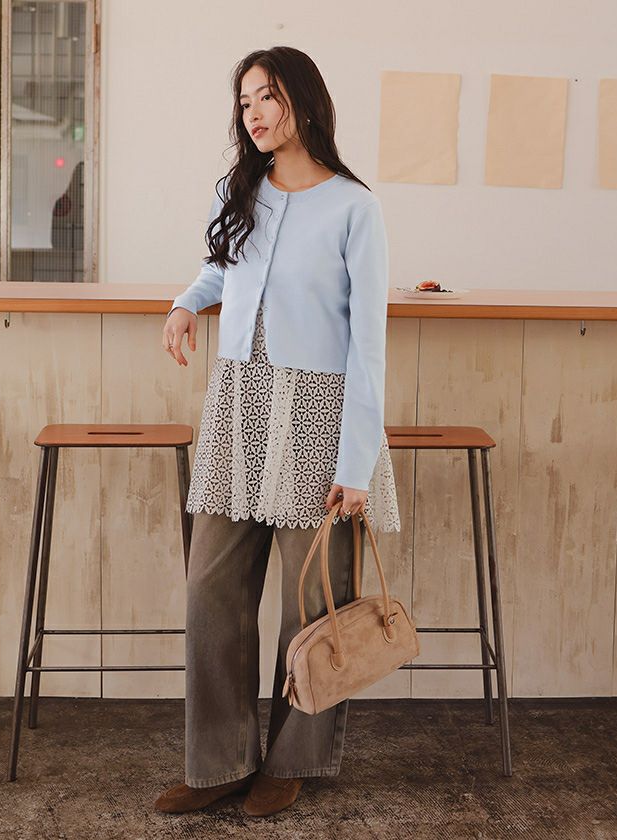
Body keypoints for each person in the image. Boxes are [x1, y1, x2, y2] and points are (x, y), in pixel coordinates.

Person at [156, 46, 400, 818]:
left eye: (268, 96)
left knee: (313, 601)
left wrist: (355, 465)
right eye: (245, 101)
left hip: (321, 414)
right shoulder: (240, 190)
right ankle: (220, 761)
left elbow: (367, 347)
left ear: (304, 101)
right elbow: (220, 265)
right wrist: (186, 303)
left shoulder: (355, 208)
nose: (254, 112)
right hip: (240, 404)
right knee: (212, 588)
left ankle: (293, 761)